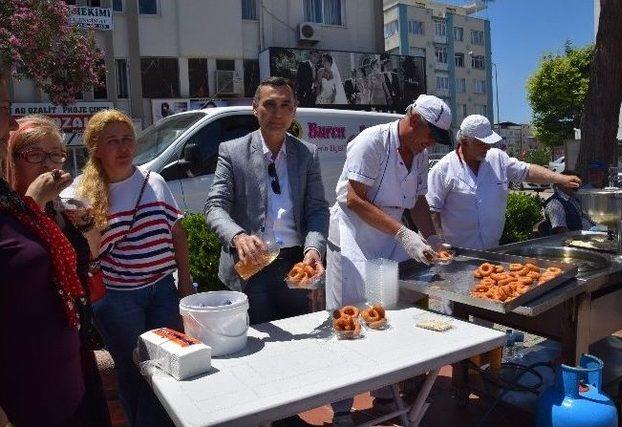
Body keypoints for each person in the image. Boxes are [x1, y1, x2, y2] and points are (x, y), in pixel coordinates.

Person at [325, 94, 451, 422]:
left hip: (388, 237)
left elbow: (419, 200)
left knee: (386, 312)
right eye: (428, 136)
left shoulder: (419, 154)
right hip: (353, 238)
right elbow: (353, 198)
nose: (429, 145)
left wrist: (432, 237)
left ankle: (384, 394)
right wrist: (403, 234)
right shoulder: (372, 142)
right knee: (348, 320)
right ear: (413, 119)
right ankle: (342, 409)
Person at [69, 109, 194, 426]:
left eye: (127, 139)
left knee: (167, 368)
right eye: (112, 141)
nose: (123, 148)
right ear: (95, 147)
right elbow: (88, 253)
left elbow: (177, 234)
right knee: (132, 370)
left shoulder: (154, 181)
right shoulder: (79, 193)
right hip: (117, 298)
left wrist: (184, 285)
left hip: (163, 291)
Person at [4, 115, 111, 426]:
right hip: (33, 363)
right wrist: (33, 202)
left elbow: (90, 259)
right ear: (11, 161)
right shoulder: (10, 218)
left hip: (74, 346)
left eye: (55, 155)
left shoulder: (61, 209)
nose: (47, 165)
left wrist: (88, 225)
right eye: (35, 155)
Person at [204, 77, 329, 325]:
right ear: (255, 107)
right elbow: (214, 206)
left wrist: (314, 248)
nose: (278, 113)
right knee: (256, 345)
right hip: (251, 267)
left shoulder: (307, 154)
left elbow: (317, 209)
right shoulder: (232, 151)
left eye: (285, 105)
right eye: (270, 104)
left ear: (294, 110)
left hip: (296, 264)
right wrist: (238, 236)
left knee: (299, 339)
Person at [427, 114, 581, 250]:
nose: (487, 147)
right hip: (457, 253)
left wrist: (560, 178)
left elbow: (527, 170)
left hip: (493, 249)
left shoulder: (497, 158)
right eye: (481, 143)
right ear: (464, 142)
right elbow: (433, 211)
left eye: (489, 142)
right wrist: (439, 243)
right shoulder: (443, 169)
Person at [543, 169, 595, 234]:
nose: (575, 185)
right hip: (575, 240)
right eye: (571, 182)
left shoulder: (573, 199)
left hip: (588, 233)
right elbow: (561, 232)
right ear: (559, 184)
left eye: (577, 183)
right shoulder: (555, 204)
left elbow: (585, 218)